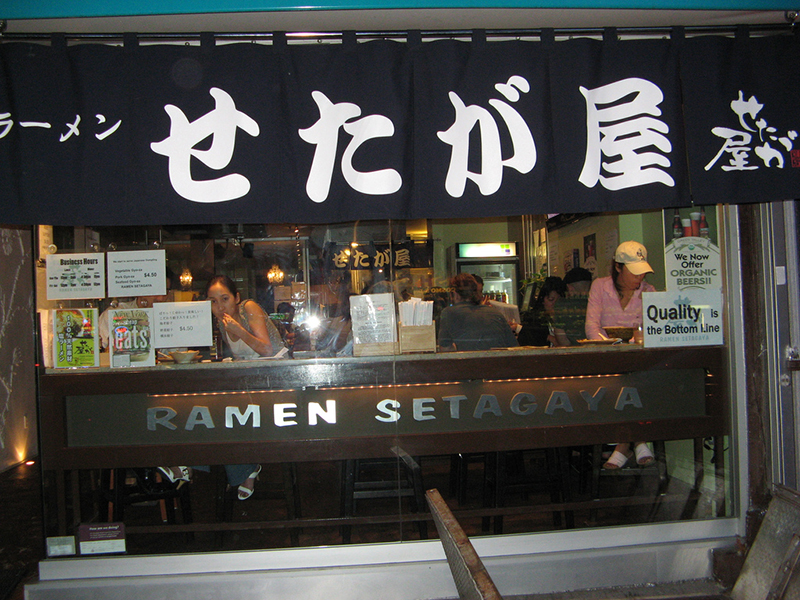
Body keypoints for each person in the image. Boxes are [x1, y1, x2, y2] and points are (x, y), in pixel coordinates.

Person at [159, 275, 284, 500]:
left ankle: (191, 463)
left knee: (218, 410)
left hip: (277, 382)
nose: (219, 306)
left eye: (224, 298)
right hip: (250, 385)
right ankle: (242, 468)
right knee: (211, 408)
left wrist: (239, 331)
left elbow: (267, 350)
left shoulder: (249, 308)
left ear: (236, 297)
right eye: (213, 301)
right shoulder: (221, 322)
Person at [585, 241, 656, 469]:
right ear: (618, 267)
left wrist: (632, 344)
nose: (639, 278)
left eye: (642, 272)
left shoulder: (649, 292)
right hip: (607, 359)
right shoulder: (600, 286)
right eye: (634, 272)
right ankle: (639, 440)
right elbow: (591, 327)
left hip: (637, 361)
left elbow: (650, 330)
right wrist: (613, 346)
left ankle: (623, 445)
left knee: (634, 380)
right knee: (623, 383)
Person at [438, 273, 519, 352]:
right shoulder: (495, 312)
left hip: (470, 363)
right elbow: (514, 347)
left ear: (455, 294)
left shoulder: (448, 313)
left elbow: (445, 349)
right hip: (500, 363)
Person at [517, 276, 568, 347]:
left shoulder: (568, 317)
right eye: (551, 299)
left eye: (560, 300)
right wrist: (548, 337)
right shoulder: (534, 322)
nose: (555, 304)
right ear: (542, 300)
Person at [558, 267, 593, 345]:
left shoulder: (562, 307)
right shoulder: (600, 303)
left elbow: (563, 341)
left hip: (576, 354)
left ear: (570, 288)